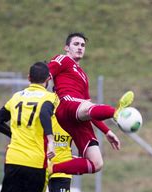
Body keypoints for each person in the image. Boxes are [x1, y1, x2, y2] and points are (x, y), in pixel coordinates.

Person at [47, 32, 134, 176]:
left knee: (96, 163)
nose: (80, 47)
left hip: (77, 113)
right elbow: (46, 73)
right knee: (88, 107)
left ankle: (51, 169)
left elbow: (89, 111)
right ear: (66, 48)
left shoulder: (83, 76)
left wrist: (107, 131)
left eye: (83, 45)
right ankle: (117, 112)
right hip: (66, 106)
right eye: (76, 44)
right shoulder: (62, 59)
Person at [0, 62, 57, 192]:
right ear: (48, 79)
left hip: (14, 158)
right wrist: (50, 140)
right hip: (36, 161)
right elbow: (44, 114)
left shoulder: (16, 96)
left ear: (29, 78)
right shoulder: (50, 97)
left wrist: (15, 135)